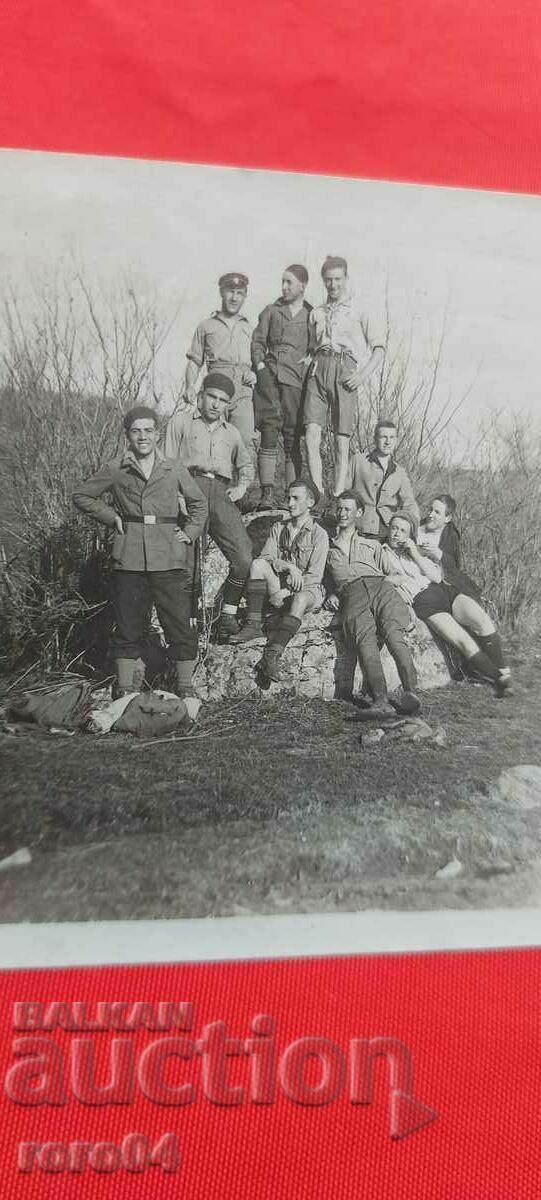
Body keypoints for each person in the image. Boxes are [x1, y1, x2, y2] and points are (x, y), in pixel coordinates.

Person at [72, 406, 208, 698]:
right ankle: (125, 688)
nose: (142, 436)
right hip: (130, 554)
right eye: (136, 431)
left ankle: (185, 687)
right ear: (127, 435)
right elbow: (82, 496)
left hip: (169, 555)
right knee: (128, 624)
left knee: (178, 623)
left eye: (148, 430)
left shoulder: (174, 468)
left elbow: (199, 504)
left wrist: (189, 533)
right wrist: (112, 517)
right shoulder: (116, 469)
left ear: (158, 434)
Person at [163, 371, 255, 642]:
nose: (216, 404)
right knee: (189, 562)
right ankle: (187, 626)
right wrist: (177, 497)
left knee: (244, 557)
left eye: (223, 400)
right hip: (191, 488)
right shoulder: (180, 423)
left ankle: (227, 614)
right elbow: (166, 465)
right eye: (212, 397)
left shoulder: (232, 433)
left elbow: (246, 466)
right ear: (201, 395)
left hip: (221, 493)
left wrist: (241, 487)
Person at [385, 509, 512, 698]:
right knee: (463, 640)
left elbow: (436, 577)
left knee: (482, 621)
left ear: (409, 534)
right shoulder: (381, 552)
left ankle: (504, 672)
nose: (397, 534)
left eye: (403, 531)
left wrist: (415, 553)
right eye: (394, 528)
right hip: (424, 601)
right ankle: (499, 680)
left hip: (443, 591)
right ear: (388, 529)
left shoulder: (414, 551)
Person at [326, 491, 421, 717]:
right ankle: (381, 702)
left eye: (348, 509)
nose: (342, 513)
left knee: (394, 635)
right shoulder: (328, 549)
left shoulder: (372, 544)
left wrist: (391, 587)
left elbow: (397, 574)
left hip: (381, 588)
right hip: (352, 595)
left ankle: (411, 694)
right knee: (364, 640)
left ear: (359, 513)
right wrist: (331, 593)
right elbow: (323, 578)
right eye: (339, 508)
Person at [303, 256, 385, 500]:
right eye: (328, 280)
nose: (333, 285)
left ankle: (338, 492)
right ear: (323, 281)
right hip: (319, 368)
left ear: (346, 279)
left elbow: (379, 349)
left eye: (338, 279)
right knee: (311, 433)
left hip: (345, 369)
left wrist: (361, 375)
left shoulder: (359, 310)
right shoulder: (316, 312)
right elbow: (310, 347)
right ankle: (316, 491)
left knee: (341, 438)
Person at [231, 479, 328, 683]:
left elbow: (314, 575)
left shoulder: (320, 535)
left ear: (310, 503)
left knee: (300, 599)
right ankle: (253, 624)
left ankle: (272, 655)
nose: (290, 503)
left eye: (296, 498)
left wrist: (287, 593)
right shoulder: (278, 527)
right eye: (288, 498)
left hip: (307, 591)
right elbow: (267, 557)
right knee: (257, 564)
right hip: (280, 586)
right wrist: (288, 567)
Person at [251, 265, 312, 509]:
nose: (284, 287)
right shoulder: (271, 311)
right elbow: (257, 342)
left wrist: (310, 361)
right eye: (283, 282)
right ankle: (266, 494)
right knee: (268, 431)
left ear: (303, 286)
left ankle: (293, 497)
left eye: (289, 282)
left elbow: (317, 346)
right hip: (271, 378)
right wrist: (260, 368)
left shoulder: (312, 315)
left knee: (292, 437)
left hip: (296, 382)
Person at [184, 272, 256, 450]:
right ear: (222, 292)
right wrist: (189, 386)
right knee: (211, 439)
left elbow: (258, 360)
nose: (234, 298)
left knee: (244, 440)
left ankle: (239, 479)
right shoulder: (206, 325)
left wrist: (253, 374)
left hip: (243, 389)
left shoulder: (250, 328)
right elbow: (194, 361)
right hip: (215, 386)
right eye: (231, 291)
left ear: (245, 296)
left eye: (240, 293)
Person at [346, 418, 420, 539]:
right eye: (383, 437)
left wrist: (415, 527)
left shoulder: (399, 472)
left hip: (386, 530)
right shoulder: (358, 460)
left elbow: (410, 503)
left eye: (391, 438)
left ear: (396, 440)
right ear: (375, 439)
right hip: (358, 525)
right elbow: (345, 492)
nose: (387, 442)